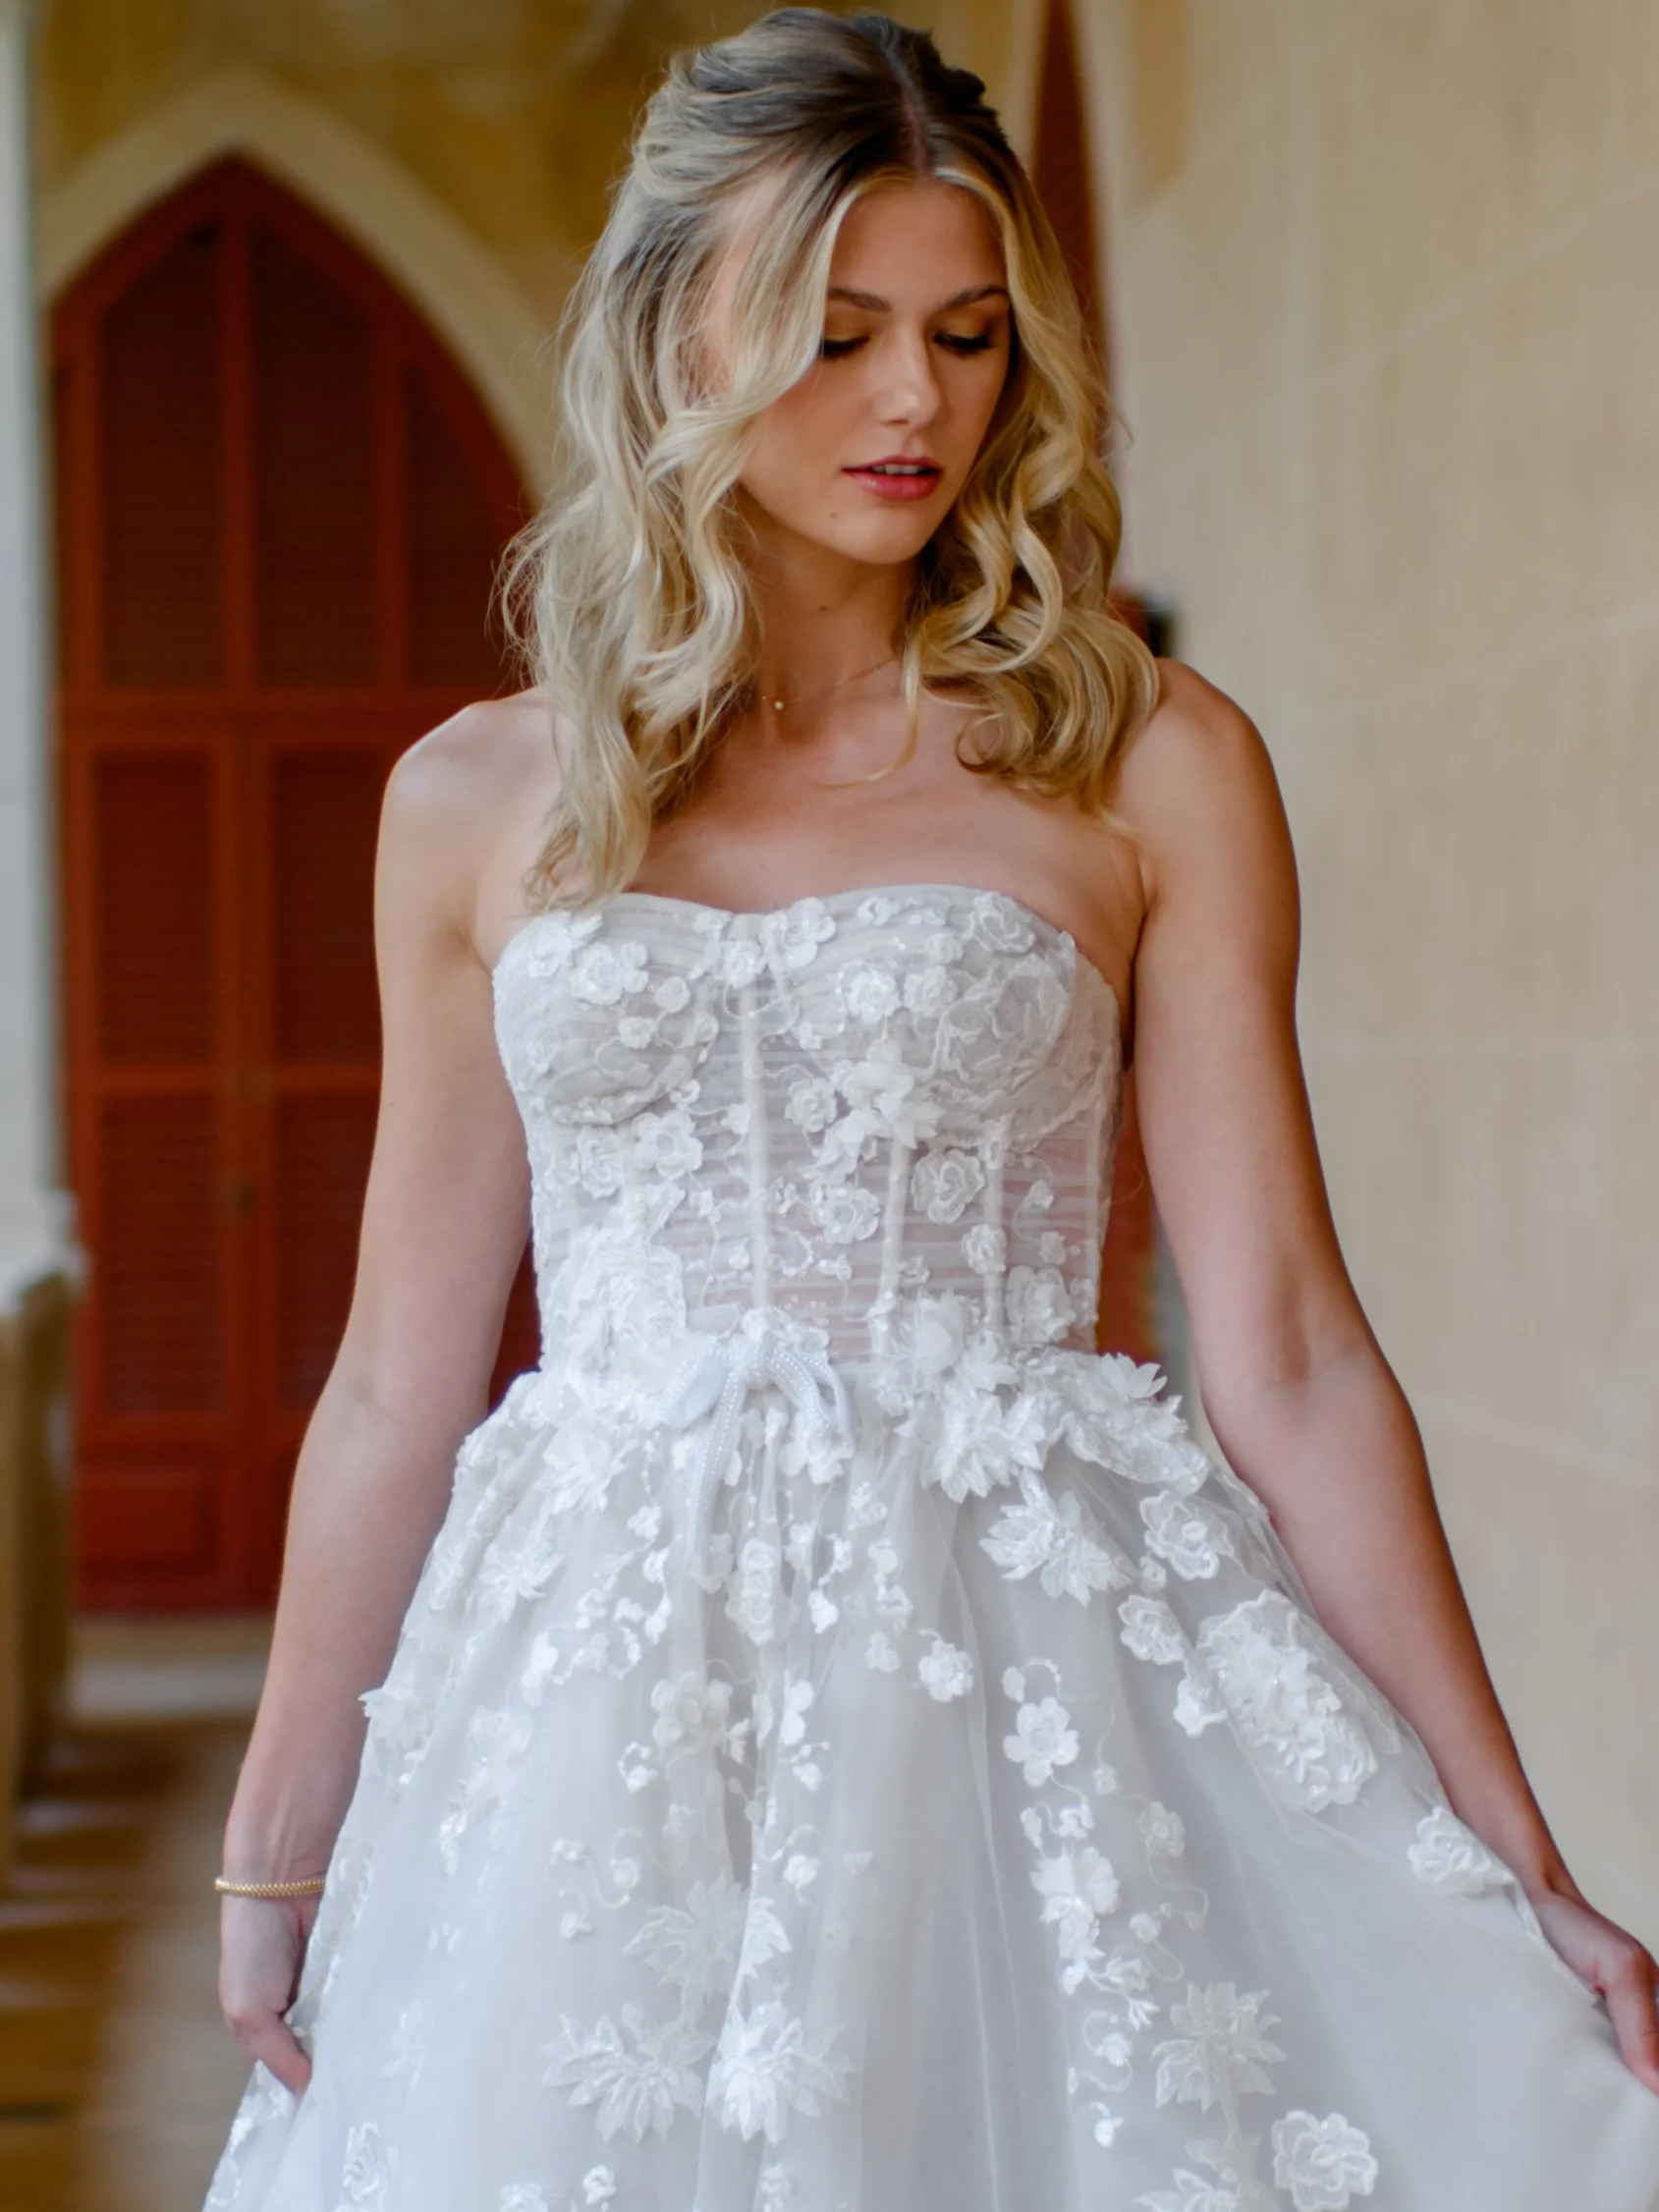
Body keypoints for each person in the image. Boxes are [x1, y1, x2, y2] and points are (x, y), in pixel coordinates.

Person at [204, 11, 1659, 2210]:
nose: (915, 403)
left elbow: (1281, 1344)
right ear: (676, 331)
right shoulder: (474, 805)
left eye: (968, 337)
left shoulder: (1146, 753)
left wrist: (1508, 1841)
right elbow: (404, 1369)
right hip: (595, 1697)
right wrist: (278, 1834)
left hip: (1026, 1667)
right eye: (837, 332)